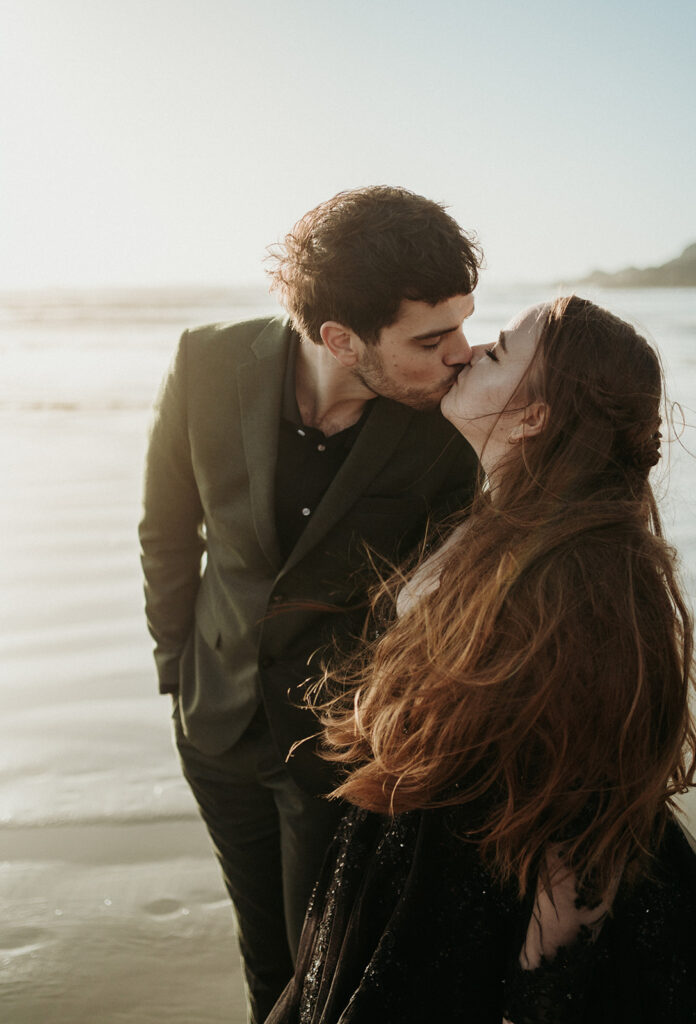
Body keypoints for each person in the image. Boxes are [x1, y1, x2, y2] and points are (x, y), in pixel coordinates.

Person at [267, 296, 696, 1024]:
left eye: (495, 353)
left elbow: (583, 830)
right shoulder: (509, 521)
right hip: (418, 864)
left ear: (533, 418)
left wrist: (538, 993)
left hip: (487, 906)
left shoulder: (585, 577)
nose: (466, 354)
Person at [138, 186, 483, 1023]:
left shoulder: (451, 426)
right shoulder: (206, 363)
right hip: (213, 725)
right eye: (432, 338)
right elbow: (168, 531)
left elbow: (446, 606)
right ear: (339, 338)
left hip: (343, 751)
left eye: (464, 324)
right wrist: (174, 670)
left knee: (328, 979)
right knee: (265, 962)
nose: (461, 354)